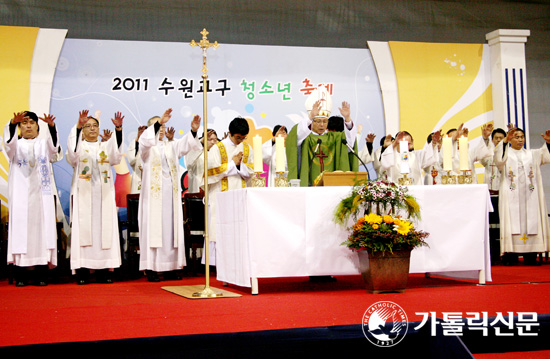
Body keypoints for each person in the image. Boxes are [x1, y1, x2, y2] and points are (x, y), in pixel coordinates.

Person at [137, 109, 202, 282]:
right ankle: (151, 267)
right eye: (158, 125)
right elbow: (144, 141)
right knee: (154, 229)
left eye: (164, 125)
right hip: (153, 198)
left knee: (171, 230)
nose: (163, 128)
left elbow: (186, 144)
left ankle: (172, 267)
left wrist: (194, 131)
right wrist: (158, 123)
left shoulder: (170, 145)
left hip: (171, 197)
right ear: (150, 130)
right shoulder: (146, 148)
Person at [66, 110, 124, 284]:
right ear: (82, 130)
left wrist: (118, 129)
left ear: (99, 129)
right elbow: (72, 153)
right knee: (84, 231)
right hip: (84, 195)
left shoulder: (104, 146)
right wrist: (77, 125)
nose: (91, 129)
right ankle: (83, 270)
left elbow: (115, 156)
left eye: (94, 126)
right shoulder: (79, 147)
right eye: (87, 126)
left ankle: (104, 270)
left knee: (104, 232)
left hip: (103, 196)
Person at [4, 111, 60, 286]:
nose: (28, 126)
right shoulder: (15, 145)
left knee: (41, 233)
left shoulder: (43, 144)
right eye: (24, 123)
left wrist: (51, 127)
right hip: (21, 195)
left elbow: (54, 150)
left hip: (41, 196)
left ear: (37, 126)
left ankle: (41, 274)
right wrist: (12, 123)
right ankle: (21, 275)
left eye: (32, 123)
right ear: (20, 127)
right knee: (21, 233)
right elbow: (8, 146)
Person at [493, 125, 550, 266]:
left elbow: (547, 155)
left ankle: (531, 254)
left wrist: (548, 143)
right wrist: (504, 140)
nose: (520, 139)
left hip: (530, 196)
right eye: (516, 137)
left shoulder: (532, 154)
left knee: (531, 221)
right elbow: (498, 161)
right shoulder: (506, 154)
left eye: (522, 137)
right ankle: (510, 254)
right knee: (512, 221)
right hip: (511, 196)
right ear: (510, 138)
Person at [204, 117, 254, 264]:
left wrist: (239, 166)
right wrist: (233, 164)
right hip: (221, 193)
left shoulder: (247, 148)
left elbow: (251, 171)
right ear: (230, 133)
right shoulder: (217, 148)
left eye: (244, 137)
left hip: (240, 192)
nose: (241, 140)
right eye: (238, 137)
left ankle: (238, 259)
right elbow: (210, 172)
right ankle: (218, 262)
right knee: (220, 228)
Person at [286, 90, 358, 186]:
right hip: (309, 184)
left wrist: (348, 119)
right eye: (318, 121)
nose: (321, 125)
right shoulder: (306, 138)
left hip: (332, 185)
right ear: (312, 122)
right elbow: (295, 137)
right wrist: (310, 116)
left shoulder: (334, 138)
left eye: (325, 121)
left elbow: (350, 142)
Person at [185, 129, 219, 194]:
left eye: (215, 140)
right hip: (198, 190)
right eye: (209, 139)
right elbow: (189, 164)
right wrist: (201, 142)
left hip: (214, 189)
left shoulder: (217, 154)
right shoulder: (197, 152)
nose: (212, 142)